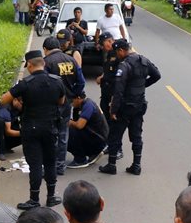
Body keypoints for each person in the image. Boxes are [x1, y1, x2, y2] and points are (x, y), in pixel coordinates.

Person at [0, 50, 66, 210]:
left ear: (29, 65)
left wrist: (19, 104)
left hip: (31, 129)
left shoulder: (25, 84)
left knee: (35, 164)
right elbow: (61, 101)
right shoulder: (57, 81)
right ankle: (51, 197)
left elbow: (3, 100)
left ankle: (34, 199)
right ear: (43, 63)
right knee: (50, 162)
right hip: (51, 128)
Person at [99, 41, 161, 176]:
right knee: (136, 135)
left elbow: (118, 90)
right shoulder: (144, 60)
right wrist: (142, 86)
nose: (117, 55)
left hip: (125, 107)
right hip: (139, 105)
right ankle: (137, 165)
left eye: (117, 52)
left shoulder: (124, 65)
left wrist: (113, 110)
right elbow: (157, 75)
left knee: (115, 135)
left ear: (121, 50)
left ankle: (112, 165)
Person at [43, 35, 85, 177]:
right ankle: (60, 166)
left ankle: (51, 166)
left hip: (51, 104)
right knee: (63, 134)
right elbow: (81, 81)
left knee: (51, 135)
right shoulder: (71, 60)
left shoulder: (46, 62)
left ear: (45, 49)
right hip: (67, 103)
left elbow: (43, 85)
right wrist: (74, 94)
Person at [67, 93, 109, 169]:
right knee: (69, 129)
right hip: (94, 135)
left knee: (68, 132)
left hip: (98, 139)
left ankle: (80, 159)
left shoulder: (88, 105)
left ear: (79, 98)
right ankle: (90, 153)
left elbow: (79, 125)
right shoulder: (79, 107)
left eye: (72, 100)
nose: (71, 103)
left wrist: (68, 122)